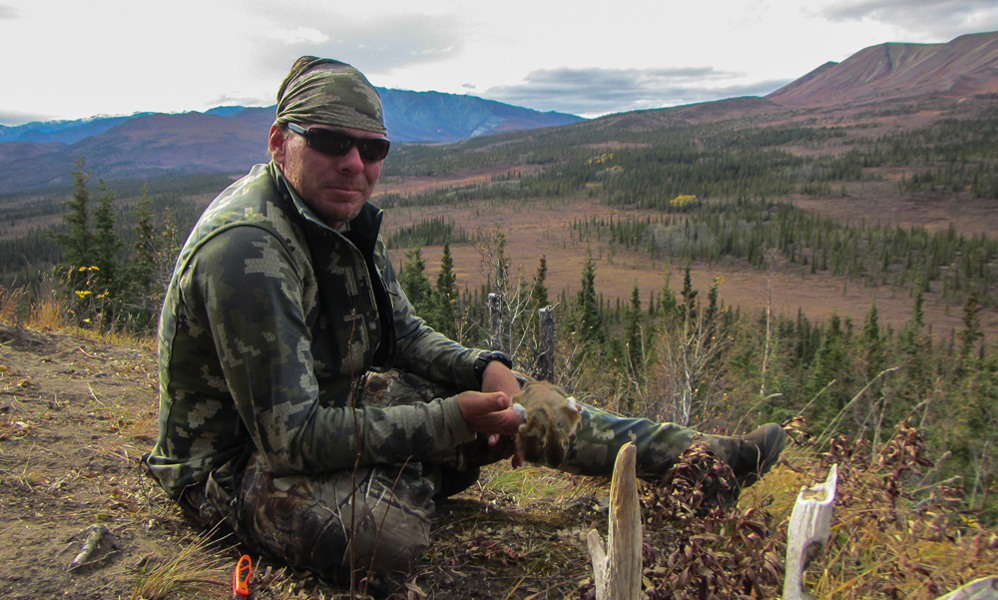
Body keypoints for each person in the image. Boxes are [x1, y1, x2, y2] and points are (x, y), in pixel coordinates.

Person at [143, 56, 786, 596]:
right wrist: (451, 423)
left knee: (521, 402)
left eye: (373, 149)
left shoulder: (338, 220)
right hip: (228, 469)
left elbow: (405, 338)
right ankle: (424, 469)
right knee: (380, 540)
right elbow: (291, 439)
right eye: (332, 142)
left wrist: (484, 367)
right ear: (281, 142)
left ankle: (706, 459)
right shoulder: (247, 250)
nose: (354, 163)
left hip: (321, 412)